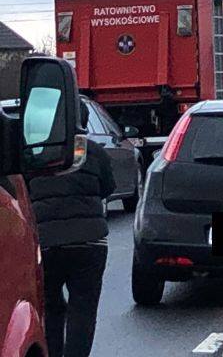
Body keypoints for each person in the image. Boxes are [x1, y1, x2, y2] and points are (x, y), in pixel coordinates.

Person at [28, 134, 115, 357]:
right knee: (83, 309)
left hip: (46, 241)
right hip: (89, 241)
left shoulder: (34, 152)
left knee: (49, 306)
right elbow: (108, 187)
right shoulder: (93, 151)